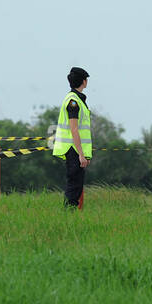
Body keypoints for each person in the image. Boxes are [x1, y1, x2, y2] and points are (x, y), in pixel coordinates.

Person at [52, 67, 92, 209]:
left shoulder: (77, 100)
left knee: (76, 185)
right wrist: (81, 154)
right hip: (73, 149)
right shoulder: (73, 101)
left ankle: (70, 214)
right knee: (74, 185)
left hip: (76, 149)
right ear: (84, 81)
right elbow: (74, 129)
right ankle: (69, 214)